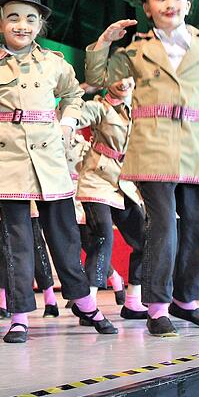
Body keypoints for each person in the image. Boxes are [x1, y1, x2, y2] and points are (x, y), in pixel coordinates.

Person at [0, 0, 117, 343]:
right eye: (13, 18)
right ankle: (20, 315)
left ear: (40, 24)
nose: (21, 25)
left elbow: (73, 95)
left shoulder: (55, 63)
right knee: (16, 241)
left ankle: (85, 303)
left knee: (65, 237)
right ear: (0, 23)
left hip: (51, 159)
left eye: (29, 18)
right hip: (8, 162)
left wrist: (68, 123)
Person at [85, 0, 199, 337]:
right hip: (151, 143)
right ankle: (157, 308)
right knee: (162, 228)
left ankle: (186, 301)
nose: (169, 3)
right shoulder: (138, 49)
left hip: (193, 144)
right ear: (147, 7)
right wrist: (104, 43)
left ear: (188, 3)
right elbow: (98, 78)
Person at [75, 77, 148, 320]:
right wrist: (84, 89)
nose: (124, 82)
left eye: (128, 75)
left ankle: (133, 301)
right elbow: (72, 114)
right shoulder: (99, 106)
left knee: (144, 238)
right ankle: (89, 304)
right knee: (103, 236)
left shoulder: (141, 109)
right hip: (97, 178)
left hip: (126, 182)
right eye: (117, 76)